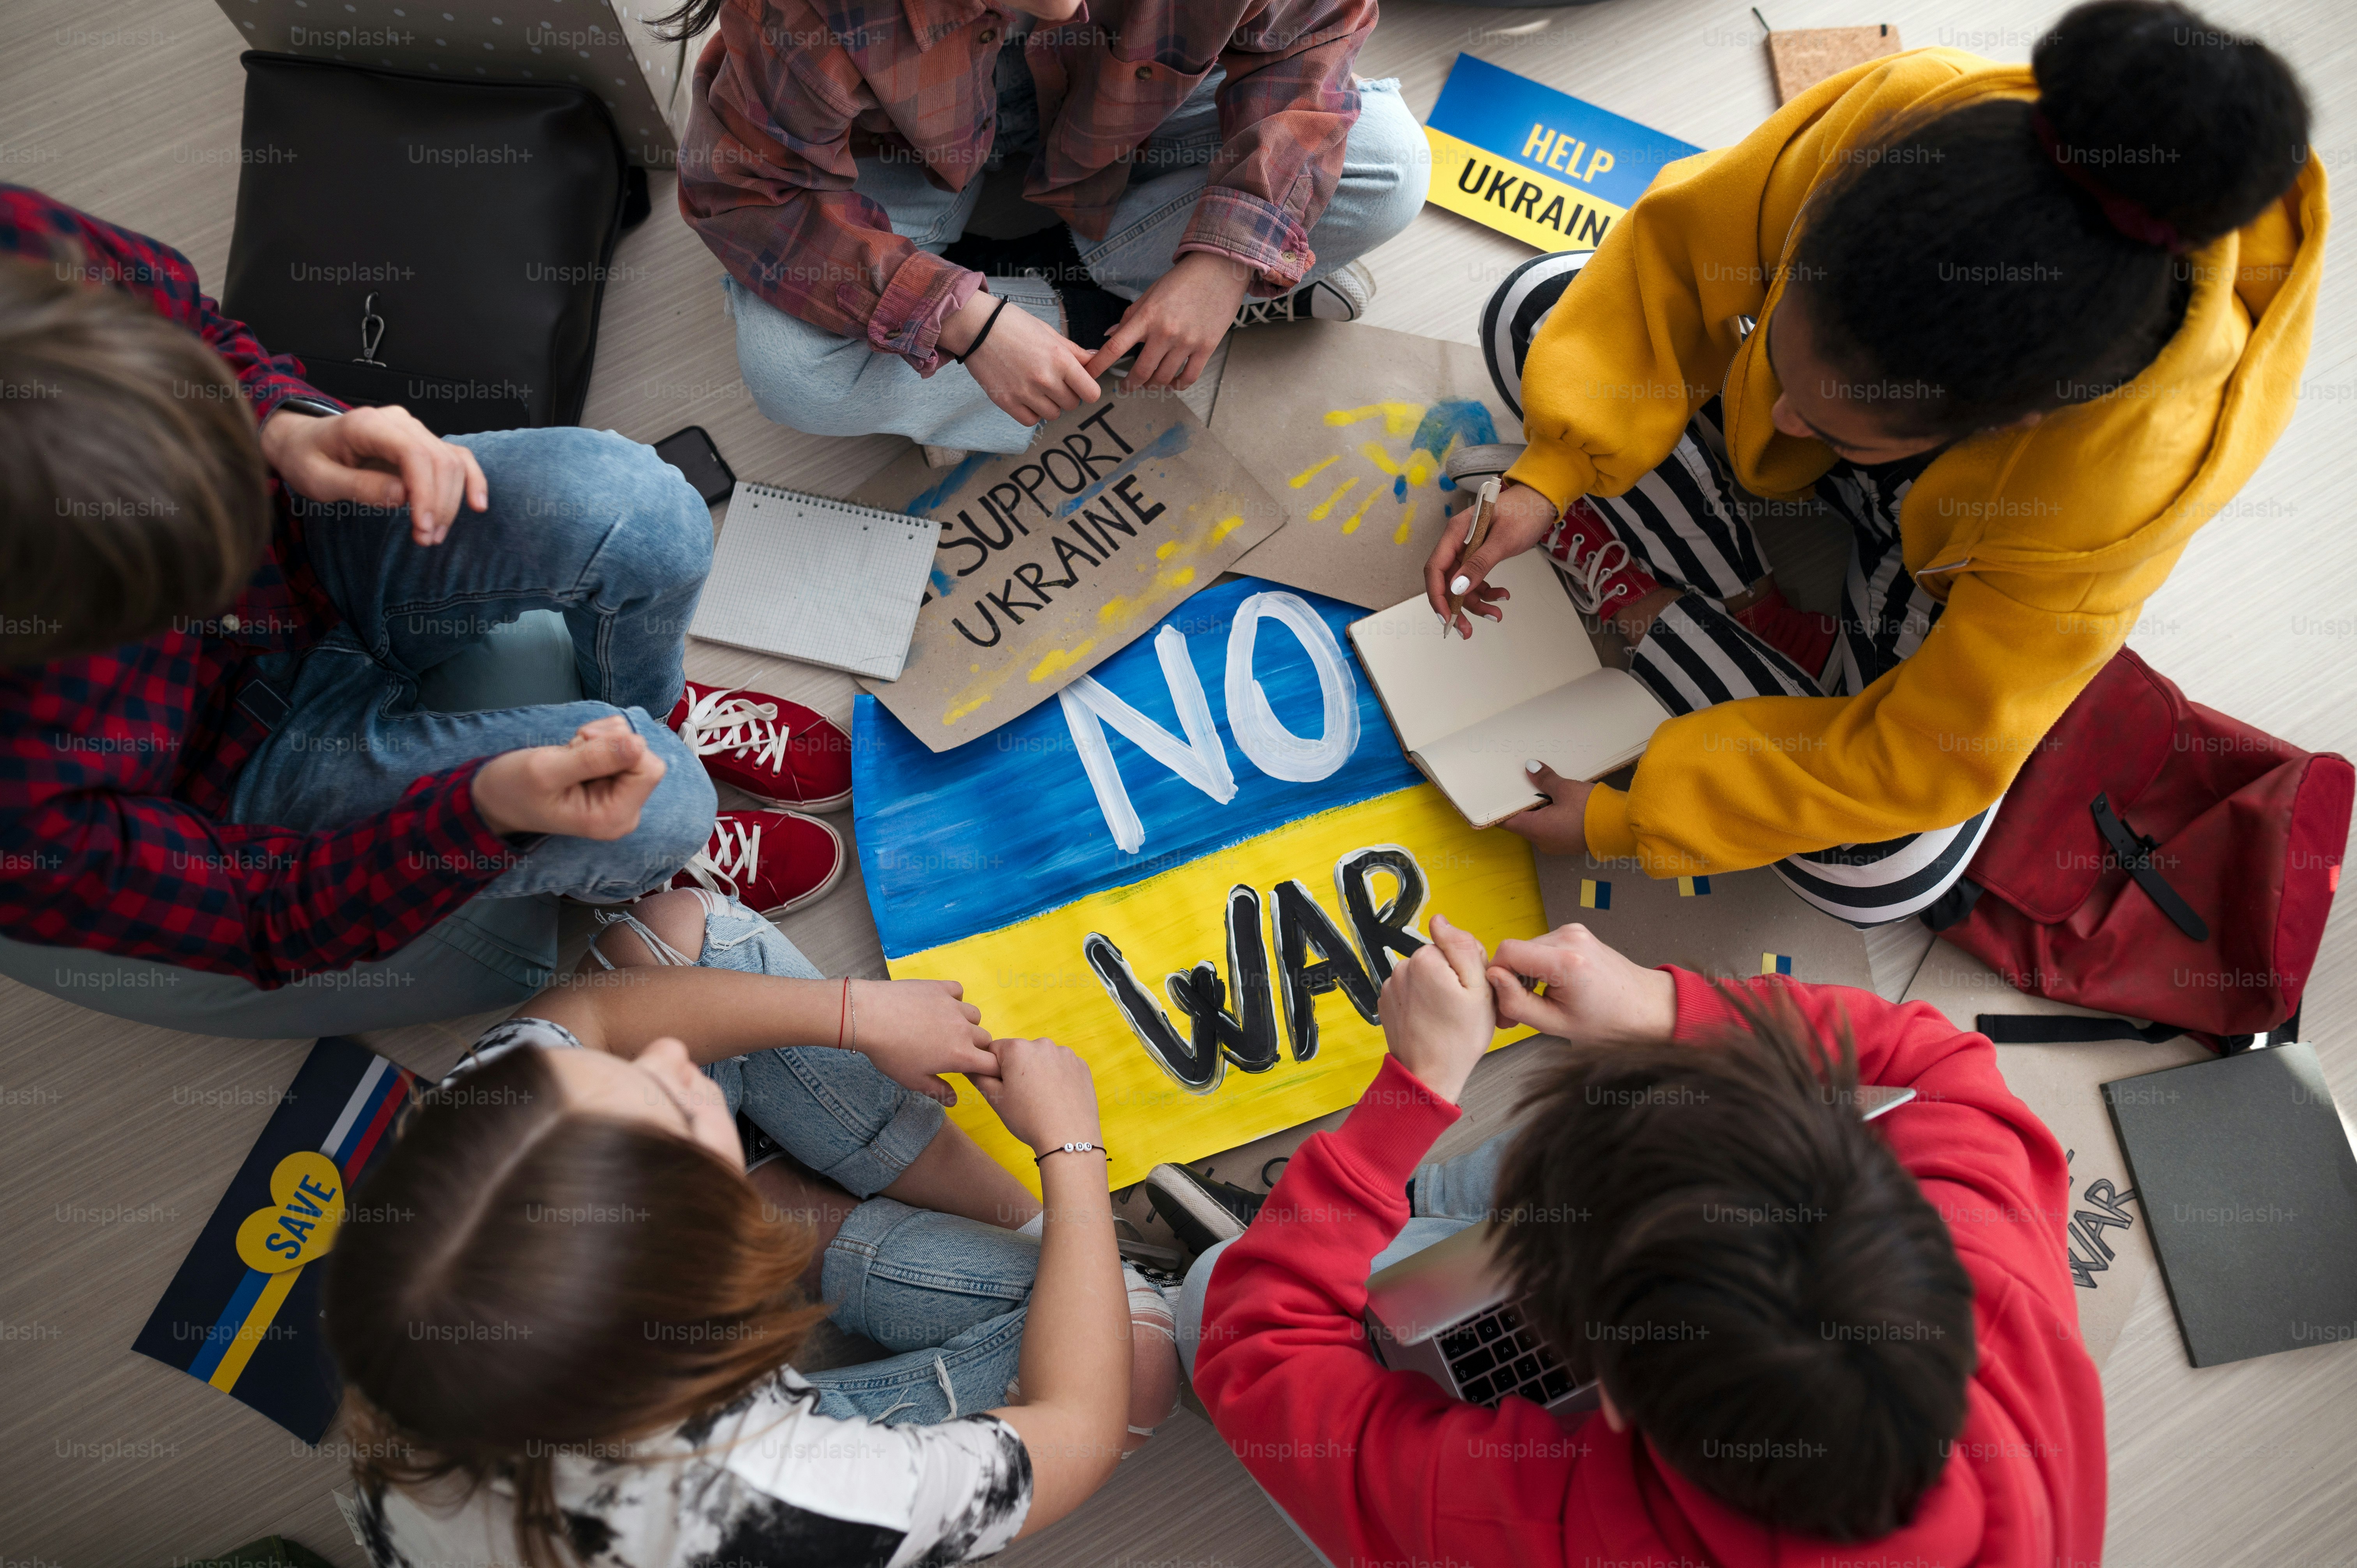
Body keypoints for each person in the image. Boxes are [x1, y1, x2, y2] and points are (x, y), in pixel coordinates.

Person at [1425, 0, 2321, 925]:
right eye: (1783, 356)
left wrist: (1631, 819)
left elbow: (1928, 757)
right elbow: (1679, 259)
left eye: (1831, 422)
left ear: (2011, 419)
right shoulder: (1900, 117)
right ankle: (1762, 630)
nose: (1775, 415)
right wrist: (1552, 473)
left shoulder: (2118, 489)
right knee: (1536, 306)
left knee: (1882, 874)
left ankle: (1709, 614)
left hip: (1952, 564)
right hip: (1911, 487)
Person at [0, 187, 855, 1036]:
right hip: (239, 770)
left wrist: (278, 420)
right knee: (667, 807)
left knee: (646, 509)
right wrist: (484, 810)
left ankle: (653, 708)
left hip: (305, 542)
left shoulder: (22, 250)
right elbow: (263, 916)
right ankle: (641, 859)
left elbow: (191, 320)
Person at [1160, 915, 2104, 1567]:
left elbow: (1257, 1353)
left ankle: (1366, 1221)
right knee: (1522, 1186)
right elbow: (1936, 1065)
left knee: (1211, 1293)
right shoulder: (1994, 1262)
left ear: (1607, 1395)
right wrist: (1655, 1005)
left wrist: (1411, 1091)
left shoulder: (1563, 1534)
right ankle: (1411, 1214)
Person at [325, 886, 1180, 1566]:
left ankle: (804, 1215)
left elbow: (601, 1012)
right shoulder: (787, 1505)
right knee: (1134, 1350)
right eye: (672, 1108)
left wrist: (853, 1013)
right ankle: (833, 1225)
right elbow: (1079, 1429)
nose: (664, 1055)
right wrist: (1072, 1147)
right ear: (715, 1284)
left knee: (683, 929)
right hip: (722, 1487)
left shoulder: (476, 1146)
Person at [667, 0, 1428, 456]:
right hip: (898, 155)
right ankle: (1104, 311)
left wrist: (1224, 266)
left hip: (1128, 118)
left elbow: (1309, 44)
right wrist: (963, 319)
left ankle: (1104, 301)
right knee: (792, 372)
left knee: (1390, 166)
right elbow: (748, 190)